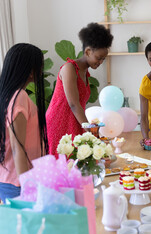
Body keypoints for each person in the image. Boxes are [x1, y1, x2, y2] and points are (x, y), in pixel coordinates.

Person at [0, 43, 49, 203]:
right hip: (17, 179)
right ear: (31, 70)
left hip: (4, 175)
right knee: (29, 225)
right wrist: (27, 187)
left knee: (20, 224)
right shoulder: (20, 97)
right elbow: (17, 148)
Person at [46, 23, 113, 156]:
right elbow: (74, 104)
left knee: (78, 163)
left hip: (74, 121)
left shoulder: (86, 73)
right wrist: (91, 133)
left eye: (103, 59)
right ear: (88, 51)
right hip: (59, 121)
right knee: (64, 164)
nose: (100, 62)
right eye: (99, 58)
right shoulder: (69, 68)